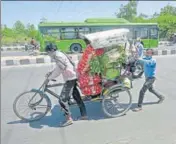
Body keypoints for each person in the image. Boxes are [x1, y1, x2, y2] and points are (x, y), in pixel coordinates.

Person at [45, 43, 87, 126]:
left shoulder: (58, 56)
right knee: (76, 96)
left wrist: (49, 78)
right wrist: (51, 73)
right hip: (73, 76)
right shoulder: (59, 53)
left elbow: (60, 69)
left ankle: (68, 119)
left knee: (62, 100)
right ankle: (84, 114)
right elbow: (58, 67)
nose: (48, 55)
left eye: (48, 53)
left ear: (52, 51)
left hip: (70, 78)